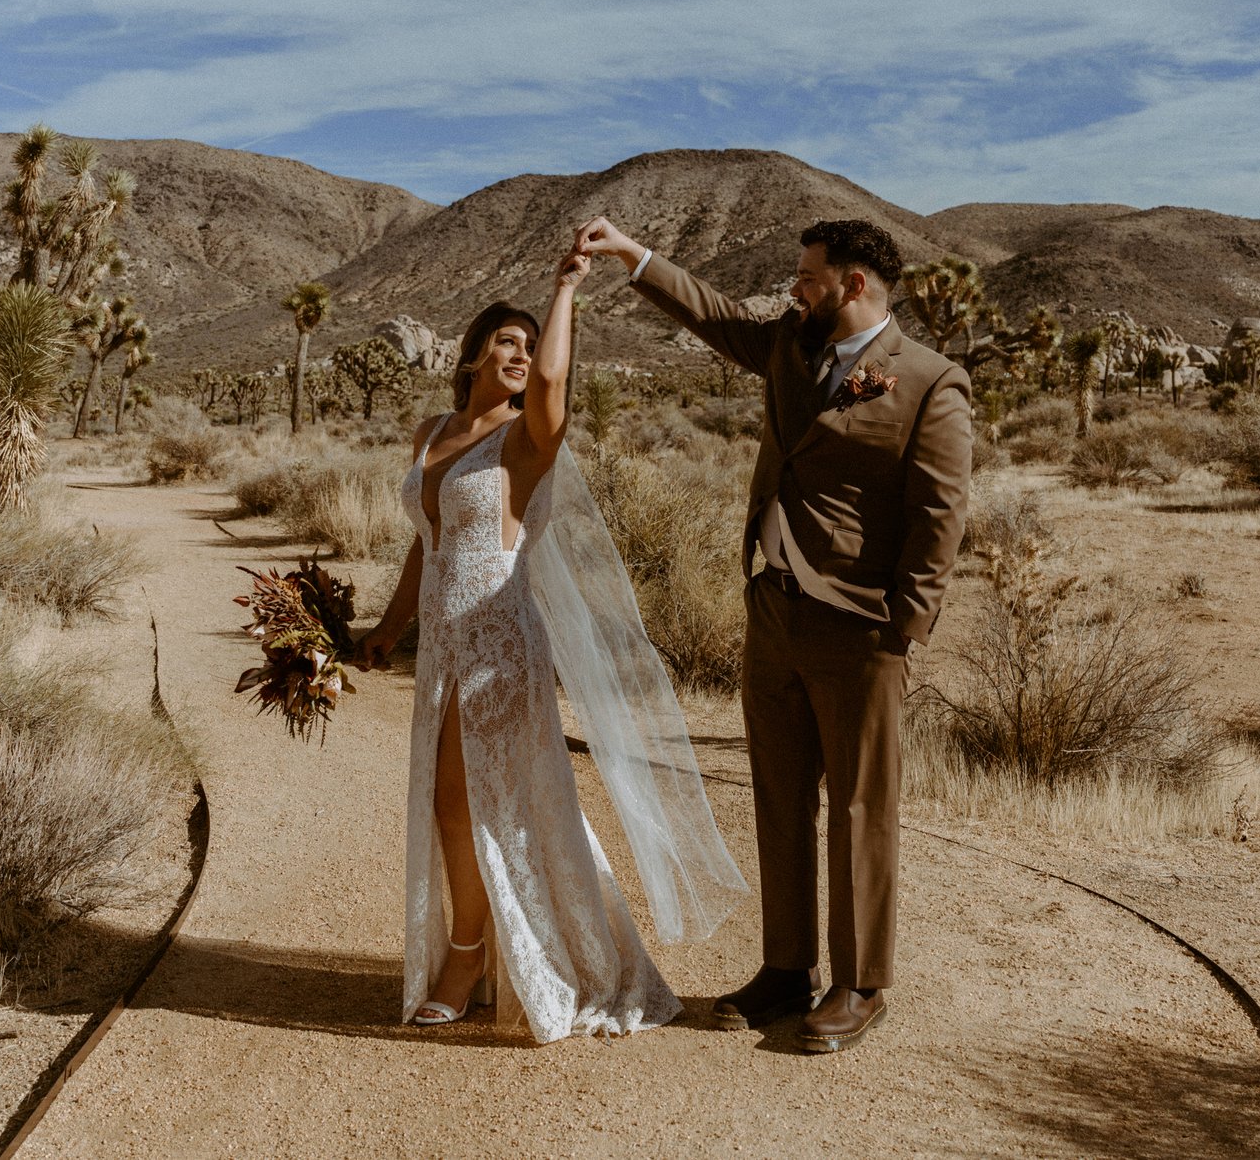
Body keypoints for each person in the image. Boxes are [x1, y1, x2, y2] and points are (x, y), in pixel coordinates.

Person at [572, 215, 973, 1055]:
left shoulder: (932, 383)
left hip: (861, 627)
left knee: (862, 806)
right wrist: (630, 255)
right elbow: (711, 313)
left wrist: (903, 627)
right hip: (774, 612)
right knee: (780, 797)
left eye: (808, 275)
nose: (796, 287)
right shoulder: (789, 346)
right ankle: (785, 969)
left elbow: (939, 517)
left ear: (853, 284)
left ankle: (860, 984)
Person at [354, 251, 745, 1041]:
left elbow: (553, 388)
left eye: (529, 346)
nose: (521, 355)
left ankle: (469, 959)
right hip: (442, 649)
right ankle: (498, 943)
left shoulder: (525, 439)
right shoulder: (431, 432)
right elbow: (426, 544)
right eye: (506, 340)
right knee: (468, 802)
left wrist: (565, 290)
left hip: (500, 641)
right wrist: (388, 630)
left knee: (467, 799)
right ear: (471, 354)